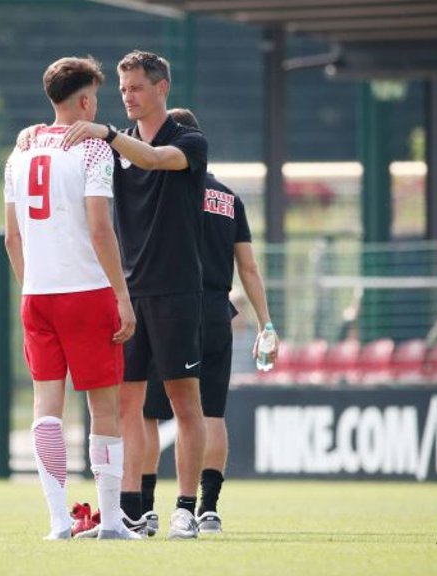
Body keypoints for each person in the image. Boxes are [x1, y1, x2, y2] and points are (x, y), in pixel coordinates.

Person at [61, 50, 208, 539]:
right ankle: (134, 508)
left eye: (137, 87)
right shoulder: (110, 150)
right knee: (129, 406)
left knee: (184, 403)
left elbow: (154, 158)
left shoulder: (188, 140)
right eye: (122, 90)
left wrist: (107, 133)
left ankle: (186, 508)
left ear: (162, 87)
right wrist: (30, 137)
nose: (127, 97)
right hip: (127, 292)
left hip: (177, 290)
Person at [3, 56, 138, 541]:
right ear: (85, 101)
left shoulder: (18, 153)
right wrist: (122, 297)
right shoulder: (92, 150)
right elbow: (101, 229)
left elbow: (11, 240)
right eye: (97, 98)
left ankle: (59, 519)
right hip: (86, 292)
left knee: (46, 407)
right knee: (105, 409)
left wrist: (31, 285)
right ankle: (111, 522)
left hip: (36, 295)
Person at [139, 108, 277, 536]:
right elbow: (249, 268)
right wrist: (266, 324)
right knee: (210, 414)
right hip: (219, 312)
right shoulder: (229, 198)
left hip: (170, 307)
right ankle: (208, 509)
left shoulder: (164, 193)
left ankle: (144, 509)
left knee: (146, 414)